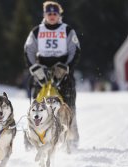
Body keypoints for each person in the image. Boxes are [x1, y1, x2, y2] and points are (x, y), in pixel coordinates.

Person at [24, 1, 80, 147]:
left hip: (63, 72)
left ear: (59, 14)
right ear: (44, 14)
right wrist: (34, 68)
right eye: (49, 13)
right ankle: (33, 140)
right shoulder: (37, 31)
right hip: (42, 73)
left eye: (55, 13)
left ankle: (71, 140)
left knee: (67, 106)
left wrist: (67, 68)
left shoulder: (67, 30)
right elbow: (28, 50)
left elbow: (75, 50)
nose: (52, 16)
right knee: (38, 106)